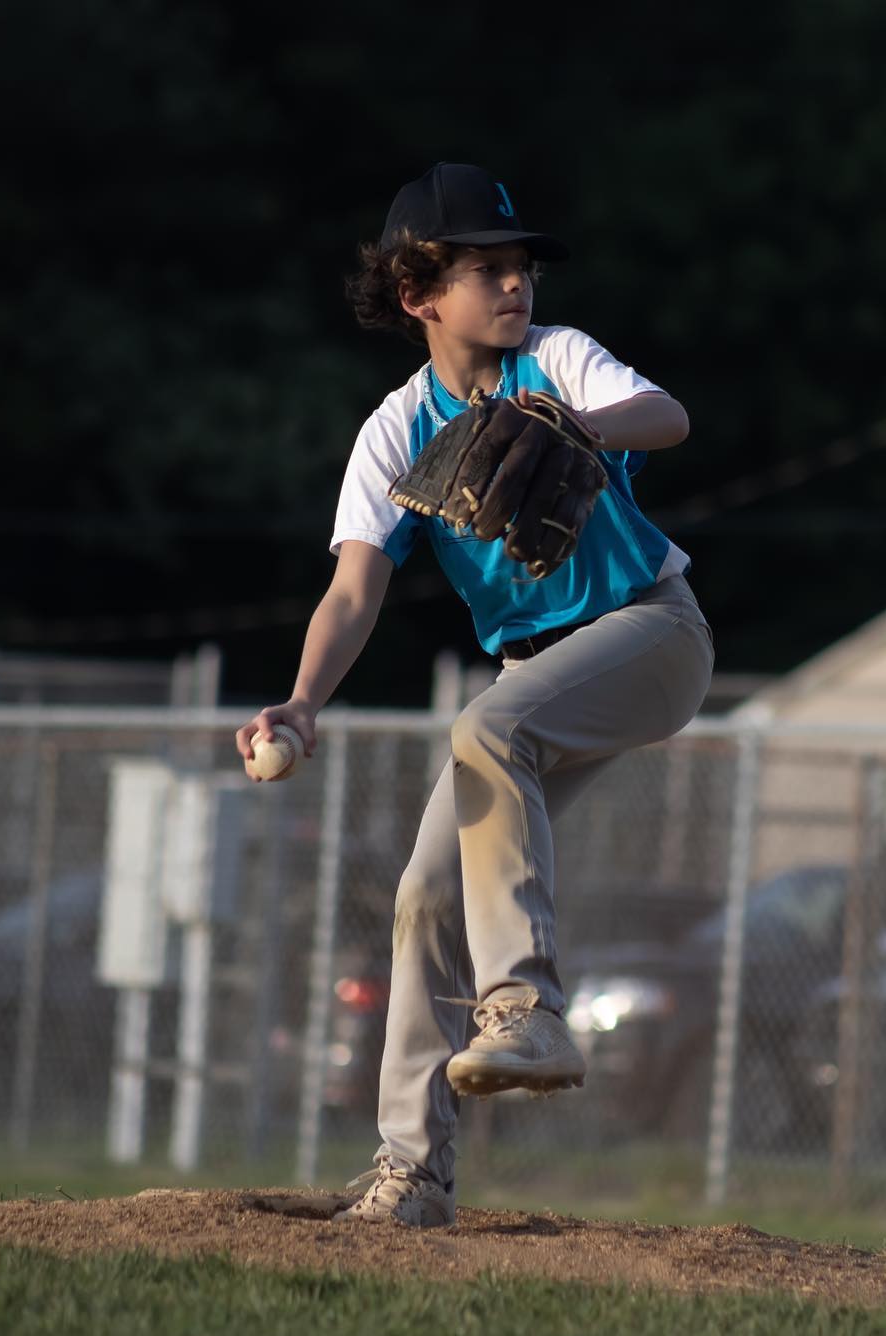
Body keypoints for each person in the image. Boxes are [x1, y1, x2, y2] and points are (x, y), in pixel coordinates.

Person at [234, 163, 714, 1228]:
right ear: (419, 294)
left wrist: (579, 422)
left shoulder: (555, 359)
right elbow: (354, 585)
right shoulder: (396, 430)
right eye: (485, 268)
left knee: (487, 729)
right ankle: (413, 1172)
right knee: (424, 897)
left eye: (521, 266)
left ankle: (530, 1007)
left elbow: (666, 416)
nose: (515, 286)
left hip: (650, 631)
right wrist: (304, 703)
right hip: (535, 676)